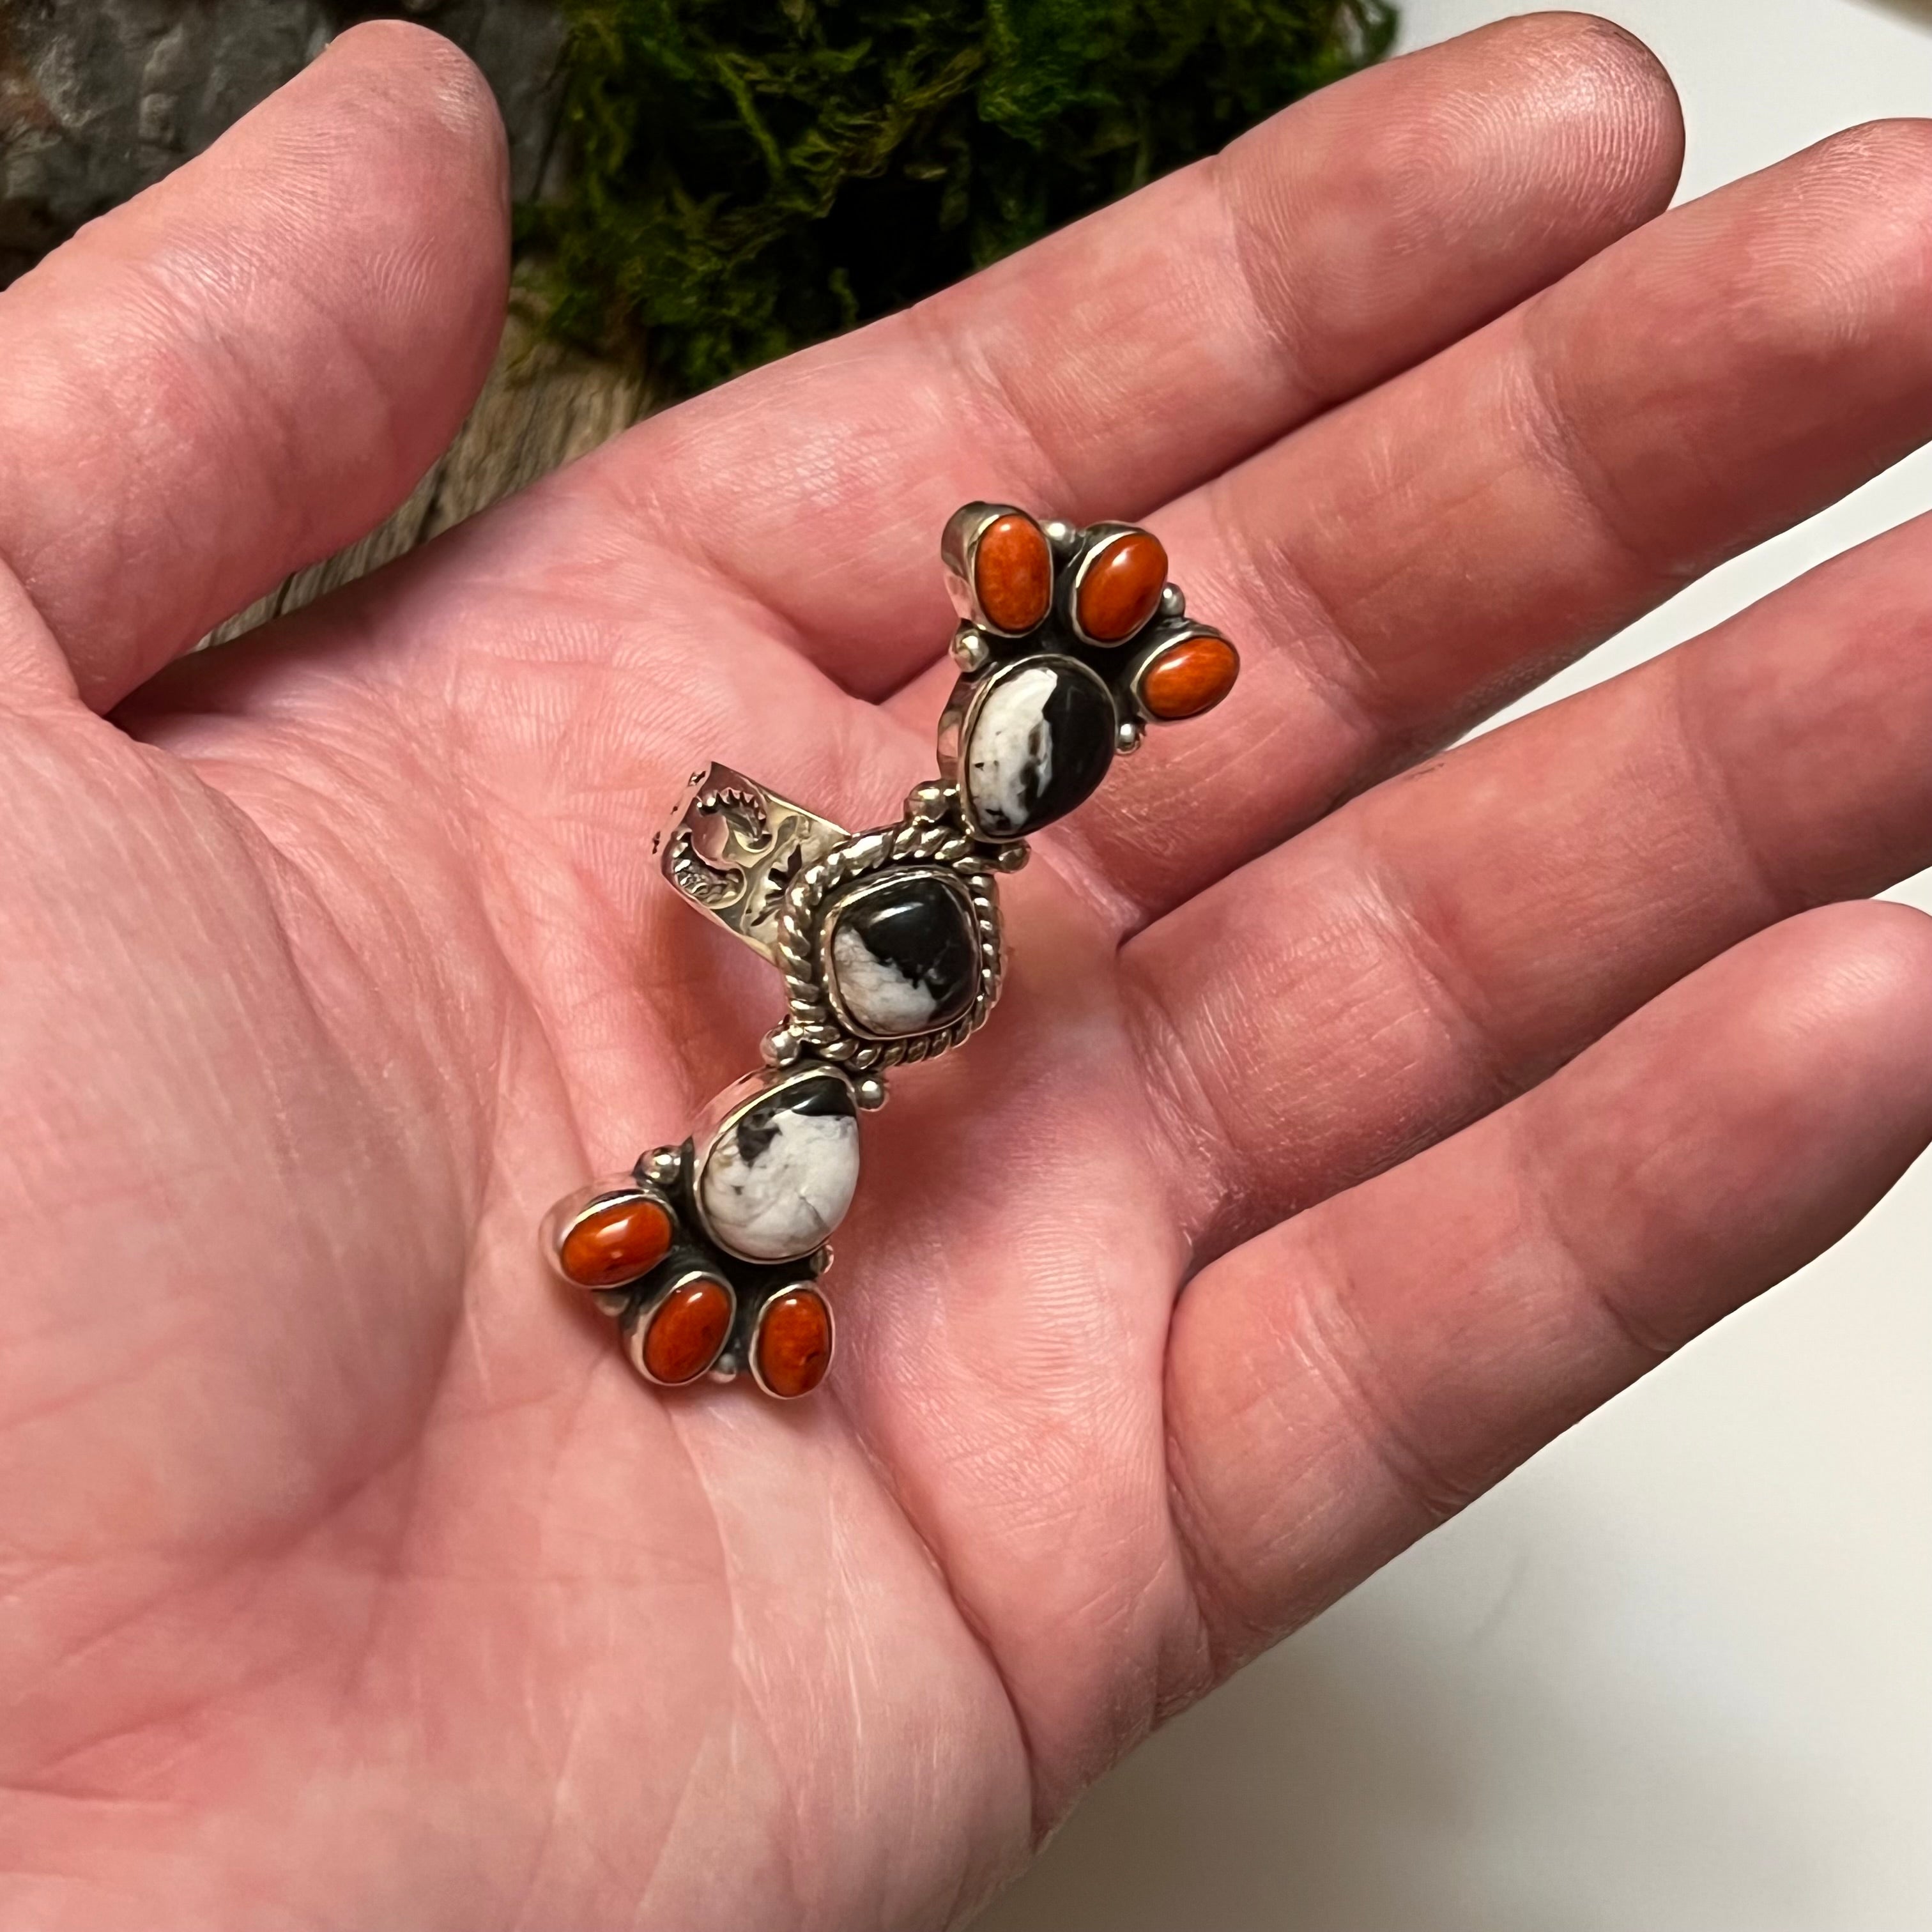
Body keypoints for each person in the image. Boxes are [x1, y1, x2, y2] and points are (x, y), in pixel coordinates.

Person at [3, 13, 1929, 1926]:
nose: (1028, 771)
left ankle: (735, 1239)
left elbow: (909, 955)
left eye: (1058, 740)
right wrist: (789, 926)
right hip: (800, 1080)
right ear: (998, 702)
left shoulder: (940, 907)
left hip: (813, 1087)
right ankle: (726, 1240)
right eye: (1036, 723)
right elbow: (800, 899)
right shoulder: (858, 893)